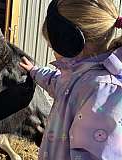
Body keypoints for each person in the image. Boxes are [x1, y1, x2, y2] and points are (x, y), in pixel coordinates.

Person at [19, 0, 122, 159]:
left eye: (52, 43)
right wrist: (34, 71)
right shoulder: (77, 75)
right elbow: (57, 83)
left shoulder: (102, 91)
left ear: (69, 41)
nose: (49, 47)